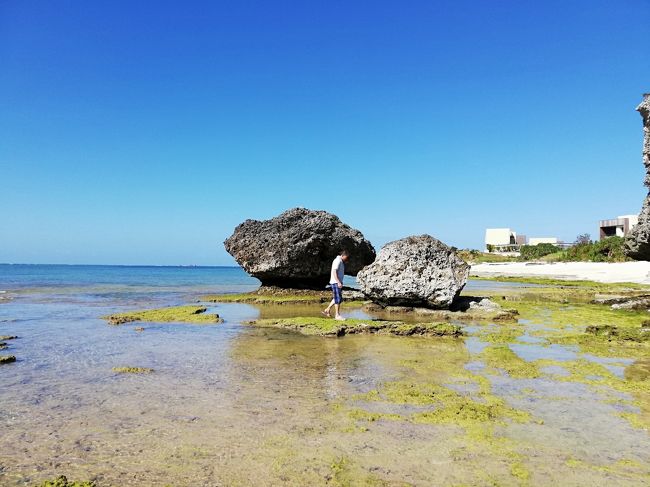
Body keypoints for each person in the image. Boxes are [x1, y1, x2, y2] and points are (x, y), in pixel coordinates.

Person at [322, 250, 349, 320]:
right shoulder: (337, 261)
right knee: (338, 299)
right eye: (346, 257)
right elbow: (334, 271)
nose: (347, 259)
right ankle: (337, 315)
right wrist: (338, 282)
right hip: (335, 282)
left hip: (337, 282)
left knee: (337, 297)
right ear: (343, 255)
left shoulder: (341, 261)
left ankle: (327, 310)